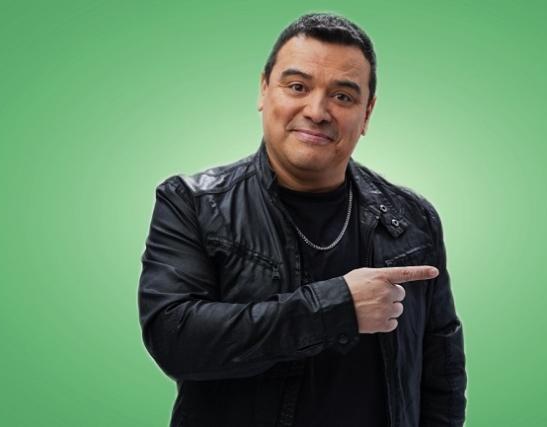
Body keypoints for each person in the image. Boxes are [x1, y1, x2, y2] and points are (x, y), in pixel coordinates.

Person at [139, 13, 466, 427]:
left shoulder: (414, 220)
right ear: (264, 90)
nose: (317, 111)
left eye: (342, 96)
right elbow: (174, 340)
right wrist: (336, 308)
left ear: (367, 113)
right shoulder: (192, 203)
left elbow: (441, 376)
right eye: (297, 87)